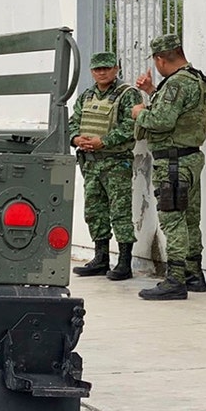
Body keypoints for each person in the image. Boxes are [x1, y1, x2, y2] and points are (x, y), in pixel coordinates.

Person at [131, 34, 206, 300]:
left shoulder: (177, 83)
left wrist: (139, 113)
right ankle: (193, 274)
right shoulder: (198, 79)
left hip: (173, 163)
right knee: (190, 218)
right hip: (190, 158)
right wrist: (153, 92)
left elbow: (162, 120)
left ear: (160, 58)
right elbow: (181, 112)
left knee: (173, 218)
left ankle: (175, 280)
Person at [69, 51, 143, 280]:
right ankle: (101, 258)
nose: (101, 72)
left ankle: (124, 262)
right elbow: (73, 122)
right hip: (91, 164)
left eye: (106, 68)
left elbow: (132, 126)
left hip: (115, 163)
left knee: (120, 213)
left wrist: (104, 141)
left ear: (116, 69)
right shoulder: (87, 95)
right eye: (97, 69)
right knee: (94, 212)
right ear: (92, 71)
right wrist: (75, 139)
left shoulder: (128, 94)